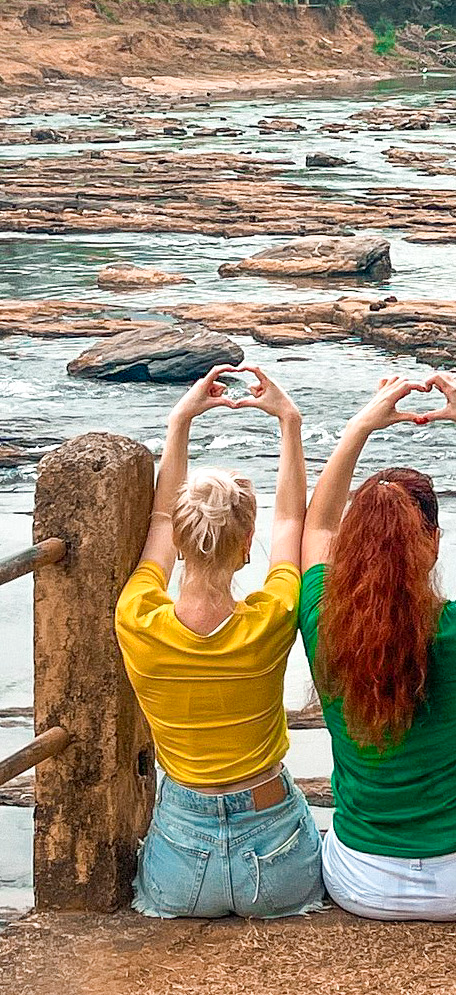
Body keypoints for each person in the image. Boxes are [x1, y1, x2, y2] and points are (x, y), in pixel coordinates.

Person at [298, 373, 456, 921]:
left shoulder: (321, 619)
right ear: (432, 544)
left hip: (360, 882)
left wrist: (360, 425)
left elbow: (317, 527)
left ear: (352, 547)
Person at [116, 365, 323, 919]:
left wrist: (179, 421)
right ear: (246, 547)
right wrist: (289, 422)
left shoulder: (137, 617)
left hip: (182, 858)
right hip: (273, 850)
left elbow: (160, 521)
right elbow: (290, 524)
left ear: (181, 545)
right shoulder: (273, 615)